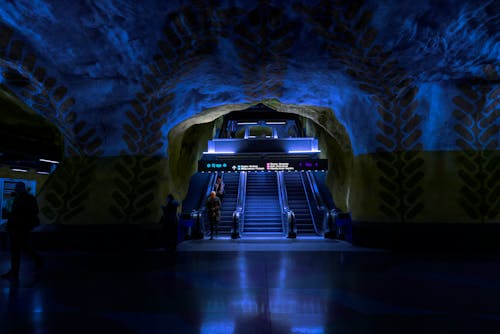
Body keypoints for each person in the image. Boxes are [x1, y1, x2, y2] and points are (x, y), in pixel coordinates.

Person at [0, 182, 42, 283]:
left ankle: (15, 272)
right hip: (18, 227)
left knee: (17, 249)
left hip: (21, 227)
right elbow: (17, 213)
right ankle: (36, 260)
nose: (16, 189)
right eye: (16, 188)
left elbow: (32, 212)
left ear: (22, 188)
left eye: (17, 187)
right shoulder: (20, 198)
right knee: (21, 248)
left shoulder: (27, 198)